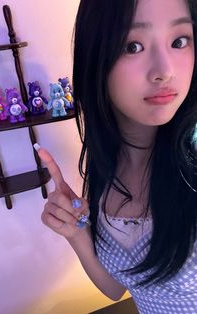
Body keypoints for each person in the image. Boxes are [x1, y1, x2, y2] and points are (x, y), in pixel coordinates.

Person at [35, 0, 197, 313]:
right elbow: (116, 289)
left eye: (179, 41)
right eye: (132, 46)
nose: (165, 71)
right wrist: (77, 233)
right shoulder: (105, 168)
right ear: (95, 58)